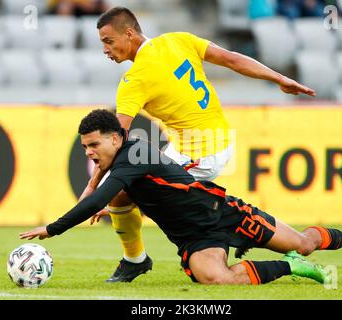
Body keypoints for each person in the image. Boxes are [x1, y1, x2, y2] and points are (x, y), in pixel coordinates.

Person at [20, 110, 342, 286]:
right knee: (213, 278)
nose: (88, 152)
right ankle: (292, 269)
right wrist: (101, 192)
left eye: (93, 145)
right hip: (195, 238)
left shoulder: (135, 154)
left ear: (116, 138)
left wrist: (53, 228)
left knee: (304, 242)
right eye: (84, 146)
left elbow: (98, 198)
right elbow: (109, 189)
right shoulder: (125, 159)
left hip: (224, 213)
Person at [80, 6, 316, 283]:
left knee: (135, 192)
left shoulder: (135, 80)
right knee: (130, 193)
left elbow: (115, 142)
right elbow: (231, 59)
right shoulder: (177, 39)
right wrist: (278, 78)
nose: (105, 49)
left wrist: (93, 187)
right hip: (193, 143)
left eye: (109, 41)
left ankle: (235, 233)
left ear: (129, 33)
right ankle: (140, 259)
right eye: (102, 44)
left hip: (205, 151)